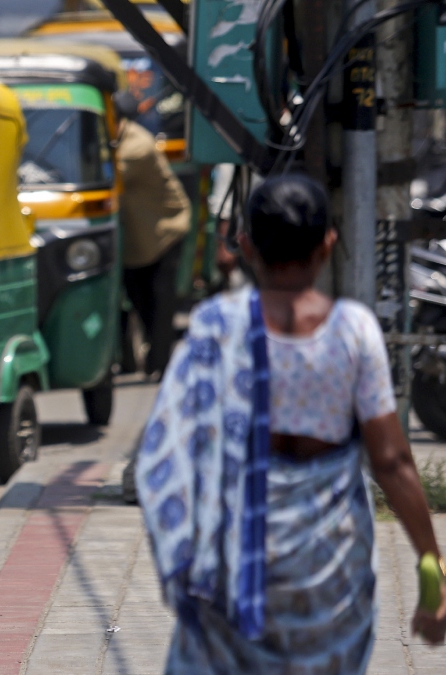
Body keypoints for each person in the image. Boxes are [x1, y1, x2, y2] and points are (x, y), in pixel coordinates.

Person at [136, 173, 446, 673]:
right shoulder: (352, 332)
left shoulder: (215, 326)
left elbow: (167, 447)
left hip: (233, 574)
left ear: (245, 246)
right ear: (328, 244)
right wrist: (432, 569)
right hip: (328, 579)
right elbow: (391, 460)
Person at [115, 91, 192, 378]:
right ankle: (152, 356)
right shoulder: (118, 141)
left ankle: (161, 364)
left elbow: (110, 173)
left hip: (165, 230)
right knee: (138, 297)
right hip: (140, 238)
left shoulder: (137, 146)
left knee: (160, 301)